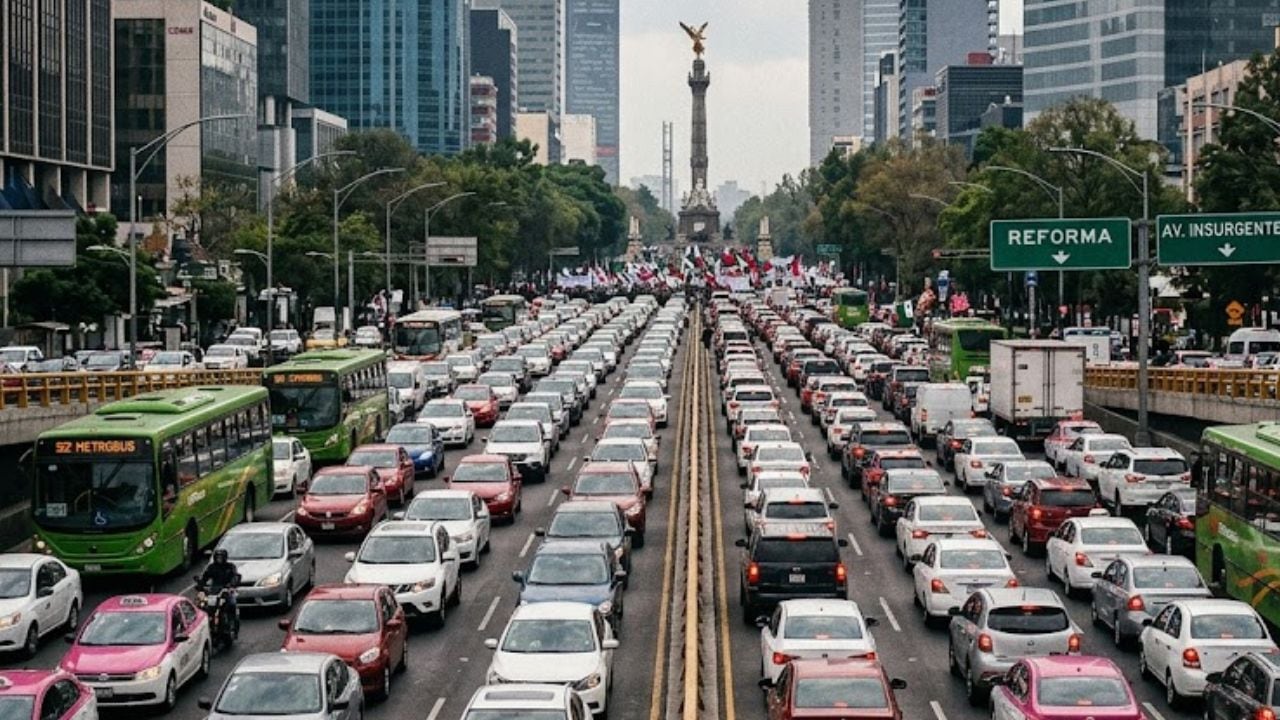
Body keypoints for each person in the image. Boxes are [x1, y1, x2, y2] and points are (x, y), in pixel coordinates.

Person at [199, 548, 240, 631]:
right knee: (203, 605)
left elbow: (235, 576)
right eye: (217, 557)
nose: (219, 559)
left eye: (221, 557)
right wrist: (201, 585)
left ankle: (233, 623)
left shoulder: (230, 567)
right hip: (214, 590)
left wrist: (231, 585)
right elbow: (205, 577)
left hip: (227, 590)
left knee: (232, 603)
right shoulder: (211, 567)